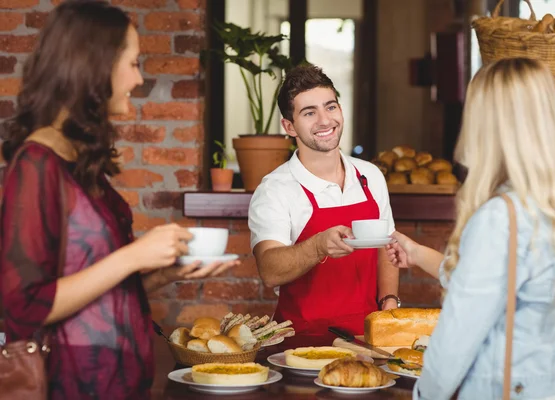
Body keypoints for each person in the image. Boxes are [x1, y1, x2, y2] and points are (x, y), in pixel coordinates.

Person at [0, 1, 239, 398]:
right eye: (132, 63)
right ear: (94, 66)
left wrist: (164, 272)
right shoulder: (37, 163)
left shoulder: (75, 160)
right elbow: (23, 307)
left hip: (119, 382)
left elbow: (99, 290)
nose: (138, 78)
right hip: (73, 383)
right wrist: (133, 255)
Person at [386, 58, 555, 400]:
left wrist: (425, 394)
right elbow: (504, 290)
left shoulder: (500, 217)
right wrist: (418, 254)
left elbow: (458, 335)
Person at [248, 64, 399, 338]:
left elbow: (387, 245)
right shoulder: (276, 189)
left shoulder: (370, 176)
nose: (325, 120)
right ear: (289, 126)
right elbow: (269, 270)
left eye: (330, 107)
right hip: (301, 346)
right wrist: (318, 246)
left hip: (368, 342)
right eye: (309, 113)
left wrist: (389, 301)